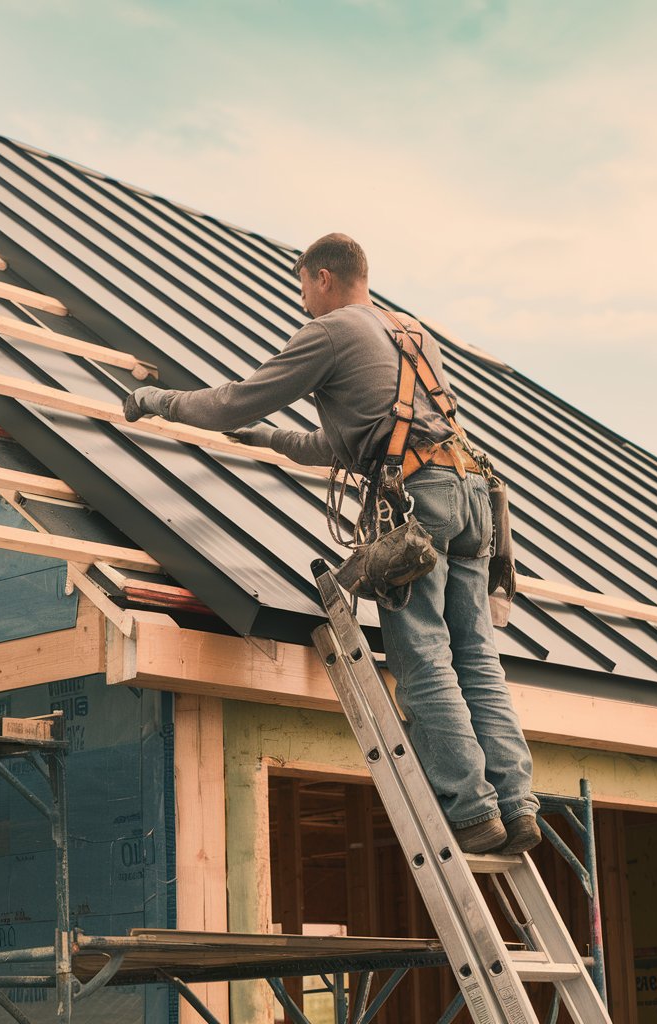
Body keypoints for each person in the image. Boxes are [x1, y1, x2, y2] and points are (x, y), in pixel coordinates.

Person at [124, 233, 540, 855]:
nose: (302, 304)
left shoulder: (330, 332)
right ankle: (517, 804)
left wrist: (158, 402)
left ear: (321, 277)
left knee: (423, 654)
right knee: (476, 655)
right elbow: (348, 443)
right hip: (473, 493)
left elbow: (232, 403)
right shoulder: (408, 331)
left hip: (420, 501)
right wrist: (273, 442)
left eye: (302, 289)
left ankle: (473, 811)